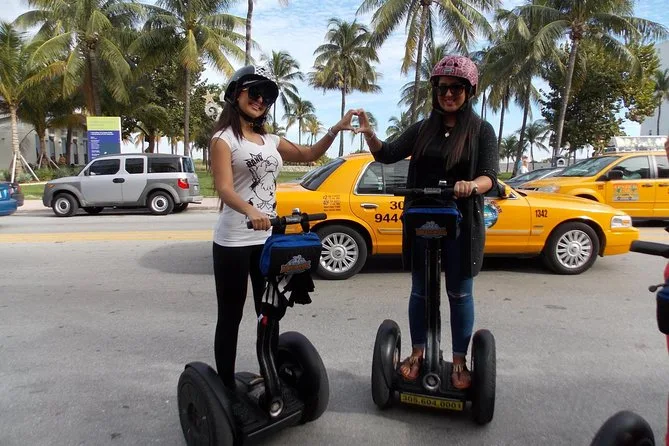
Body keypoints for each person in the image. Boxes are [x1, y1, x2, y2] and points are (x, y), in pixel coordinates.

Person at [354, 55, 498, 389]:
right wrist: (370, 134)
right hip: (422, 217)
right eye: (442, 87)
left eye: (456, 88)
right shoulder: (423, 129)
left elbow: (490, 176)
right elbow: (387, 153)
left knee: (459, 292)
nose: (448, 94)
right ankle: (418, 353)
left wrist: (471, 185)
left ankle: (459, 360)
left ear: (469, 92)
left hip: (462, 220)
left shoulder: (481, 130)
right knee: (420, 290)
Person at [209, 65, 356, 388]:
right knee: (231, 316)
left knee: (269, 310)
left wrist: (336, 129)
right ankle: (225, 386)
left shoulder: (271, 140)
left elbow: (310, 153)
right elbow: (225, 189)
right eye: (254, 92)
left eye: (267, 96)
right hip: (234, 240)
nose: (260, 100)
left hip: (267, 239)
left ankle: (270, 374)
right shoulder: (224, 139)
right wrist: (250, 210)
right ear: (235, 94)